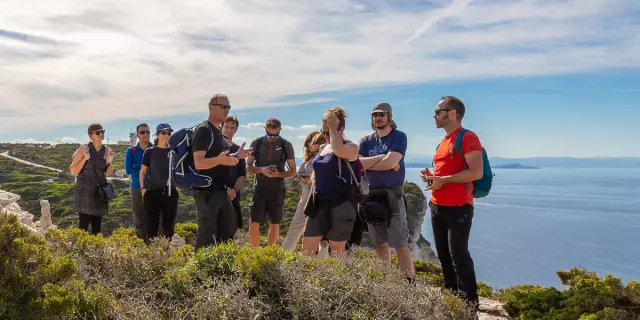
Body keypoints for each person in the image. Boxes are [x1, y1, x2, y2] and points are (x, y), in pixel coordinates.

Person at [421, 96, 482, 309]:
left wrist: (443, 180)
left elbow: (476, 171)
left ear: (452, 113)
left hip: (458, 206)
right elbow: (445, 173)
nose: (434, 116)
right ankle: (451, 303)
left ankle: (470, 309)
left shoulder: (468, 137)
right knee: (445, 257)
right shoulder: (444, 141)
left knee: (459, 256)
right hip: (437, 205)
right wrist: (432, 177)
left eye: (438, 111)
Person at [358, 102, 415, 276]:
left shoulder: (399, 137)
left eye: (382, 115)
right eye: (375, 115)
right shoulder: (366, 141)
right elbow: (358, 165)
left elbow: (390, 163)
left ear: (389, 116)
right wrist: (383, 158)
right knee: (380, 243)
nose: (378, 118)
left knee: (400, 244)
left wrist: (373, 163)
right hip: (372, 197)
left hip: (393, 197)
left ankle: (409, 282)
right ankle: (385, 280)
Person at [192, 94, 249, 251]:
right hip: (207, 192)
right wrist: (220, 160)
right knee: (207, 237)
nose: (226, 110)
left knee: (226, 236)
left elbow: (221, 160)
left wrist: (237, 156)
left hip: (223, 192)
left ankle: (221, 273)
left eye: (228, 107)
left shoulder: (217, 133)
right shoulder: (203, 130)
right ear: (211, 108)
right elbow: (199, 162)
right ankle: (199, 273)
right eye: (223, 106)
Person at [301, 107, 360, 257]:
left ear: (341, 129)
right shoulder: (323, 148)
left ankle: (336, 281)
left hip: (341, 204)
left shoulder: (351, 147)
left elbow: (339, 151)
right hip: (319, 203)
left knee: (337, 253)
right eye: (324, 131)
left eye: (331, 131)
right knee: (306, 249)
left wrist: (333, 128)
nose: (327, 135)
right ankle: (306, 280)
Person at [246, 118, 297, 247]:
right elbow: (248, 167)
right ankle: (254, 253)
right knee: (254, 221)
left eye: (275, 134)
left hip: (278, 187)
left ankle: (271, 253)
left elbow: (293, 171)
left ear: (280, 130)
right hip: (260, 187)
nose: (272, 137)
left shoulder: (286, 145)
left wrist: (278, 174)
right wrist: (261, 170)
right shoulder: (257, 143)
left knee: (275, 222)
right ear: (265, 130)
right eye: (269, 134)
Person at [281, 131, 329, 256]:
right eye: (308, 145)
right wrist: (303, 178)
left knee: (322, 235)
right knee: (295, 227)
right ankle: (282, 256)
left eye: (312, 144)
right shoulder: (309, 159)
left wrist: (312, 178)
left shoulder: (327, 157)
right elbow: (299, 174)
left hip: (321, 197)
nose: (310, 147)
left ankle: (322, 264)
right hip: (306, 196)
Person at [70, 123, 115, 235]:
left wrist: (109, 161)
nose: (101, 134)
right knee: (83, 227)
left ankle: (95, 251)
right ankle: (81, 251)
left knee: (97, 228)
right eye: (98, 132)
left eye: (102, 131)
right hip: (84, 192)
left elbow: (108, 173)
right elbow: (73, 170)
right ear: (91, 135)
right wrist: (85, 159)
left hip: (99, 193)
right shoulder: (83, 149)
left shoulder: (106, 150)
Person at [139, 123, 178, 243]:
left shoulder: (174, 151)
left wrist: (178, 187)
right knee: (151, 225)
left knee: (169, 226)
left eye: (169, 133)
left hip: (170, 192)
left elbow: (179, 170)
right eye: (163, 133)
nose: (166, 135)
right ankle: (151, 254)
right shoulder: (150, 152)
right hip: (152, 192)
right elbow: (143, 171)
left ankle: (167, 254)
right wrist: (142, 189)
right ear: (157, 134)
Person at [124, 123, 153, 239]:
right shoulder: (131, 151)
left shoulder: (156, 149)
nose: (145, 134)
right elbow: (129, 169)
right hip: (136, 187)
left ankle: (155, 244)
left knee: (155, 216)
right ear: (137, 135)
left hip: (154, 187)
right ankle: (142, 244)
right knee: (139, 216)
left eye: (147, 132)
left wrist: (139, 166)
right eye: (142, 132)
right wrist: (146, 168)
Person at [222, 115, 247, 233]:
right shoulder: (215, 147)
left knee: (231, 229)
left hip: (234, 196)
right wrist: (225, 189)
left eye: (232, 127)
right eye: (226, 126)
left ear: (236, 129)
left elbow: (242, 174)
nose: (229, 130)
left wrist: (234, 190)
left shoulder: (238, 149)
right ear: (221, 127)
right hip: (217, 193)